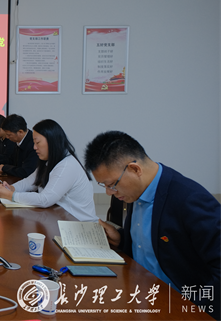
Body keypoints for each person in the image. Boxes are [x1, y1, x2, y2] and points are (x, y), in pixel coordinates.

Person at [84, 131, 221, 318]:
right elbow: (151, 245)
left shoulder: (189, 199)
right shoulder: (135, 192)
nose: (109, 192)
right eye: (105, 186)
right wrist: (121, 238)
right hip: (140, 294)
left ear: (135, 169)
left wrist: (191, 313)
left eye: (111, 184)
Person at [0, 119, 97, 222]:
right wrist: (11, 188)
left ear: (52, 142)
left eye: (37, 142)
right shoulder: (50, 160)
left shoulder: (66, 165)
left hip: (78, 224)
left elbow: (45, 199)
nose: (34, 147)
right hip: (61, 217)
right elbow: (30, 182)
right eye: (34, 143)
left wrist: (11, 195)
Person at [0, 114, 38, 179]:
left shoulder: (34, 145)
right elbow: (11, 160)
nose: (7, 137)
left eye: (9, 135)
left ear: (20, 132)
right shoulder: (18, 140)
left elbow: (25, 172)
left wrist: (4, 168)